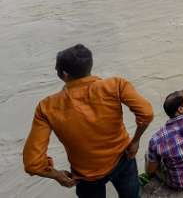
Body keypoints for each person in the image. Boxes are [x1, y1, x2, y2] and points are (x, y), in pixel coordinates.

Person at [23, 44, 154, 198]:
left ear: (64, 74)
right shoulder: (115, 85)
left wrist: (56, 175)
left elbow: (32, 163)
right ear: (90, 66)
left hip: (87, 176)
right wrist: (135, 141)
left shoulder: (46, 107)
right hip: (123, 158)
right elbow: (146, 113)